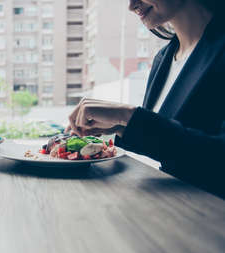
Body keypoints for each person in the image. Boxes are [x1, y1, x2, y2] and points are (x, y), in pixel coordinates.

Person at [67, 0, 224, 198]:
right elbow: (173, 143)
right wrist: (121, 126)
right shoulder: (164, 58)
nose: (131, 6)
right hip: (166, 211)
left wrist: (129, 115)